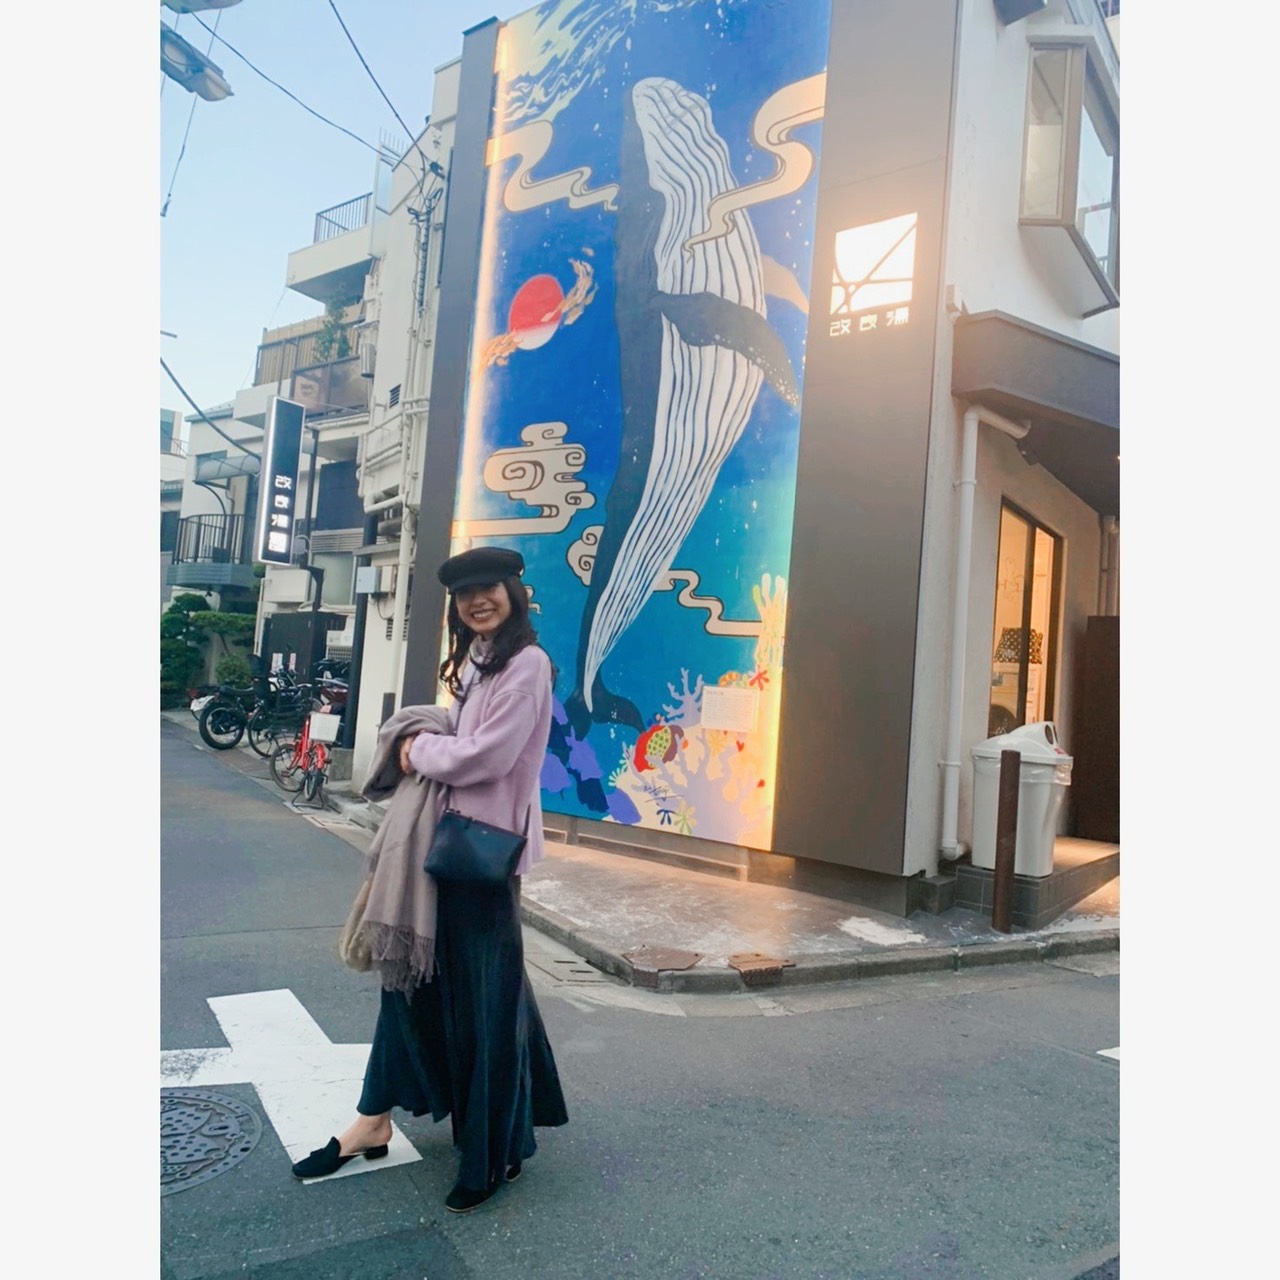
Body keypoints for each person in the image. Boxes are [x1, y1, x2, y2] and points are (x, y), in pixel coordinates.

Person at [291, 545, 569, 1212]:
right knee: (410, 986)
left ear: (513, 592)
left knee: (487, 1005)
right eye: (465, 594)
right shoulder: (478, 660)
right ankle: (372, 1120)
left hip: (482, 857)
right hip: (441, 847)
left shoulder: (527, 664)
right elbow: (465, 742)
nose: (477, 601)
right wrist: (432, 741)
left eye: (488, 588)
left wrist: (418, 749)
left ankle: (493, 1149)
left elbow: (488, 756)